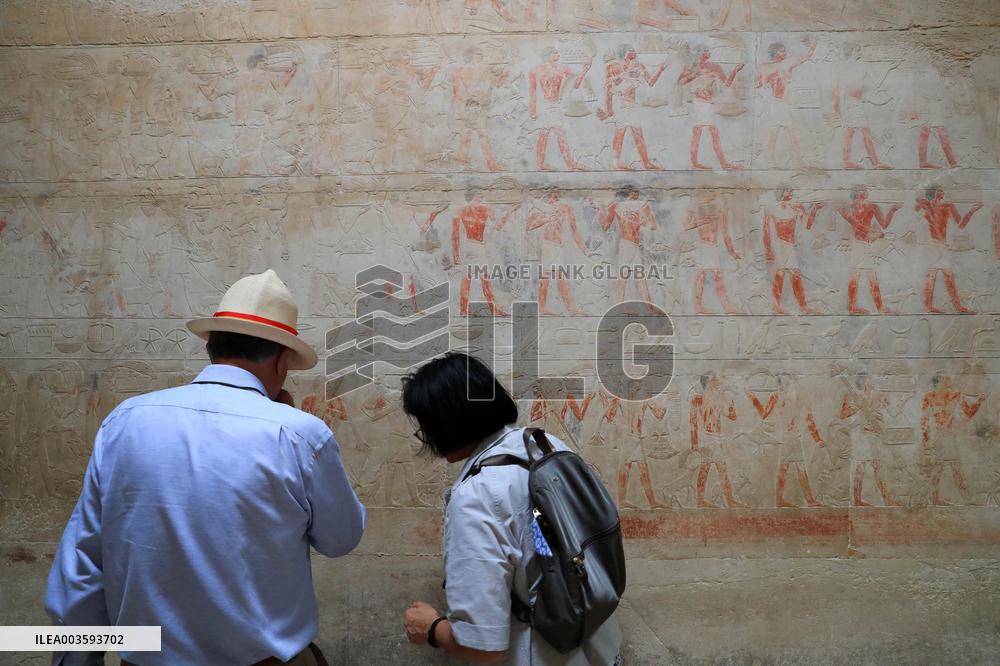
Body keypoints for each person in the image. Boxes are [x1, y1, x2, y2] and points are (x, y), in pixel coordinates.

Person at [45, 269, 366, 665]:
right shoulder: (298, 434)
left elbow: (82, 563)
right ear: (283, 361)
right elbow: (341, 539)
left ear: (212, 347)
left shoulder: (124, 421)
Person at [400, 352, 622, 664]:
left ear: (445, 425)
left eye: (426, 425)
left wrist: (430, 628)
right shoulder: (546, 446)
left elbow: (484, 648)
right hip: (598, 645)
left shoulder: (477, 497)